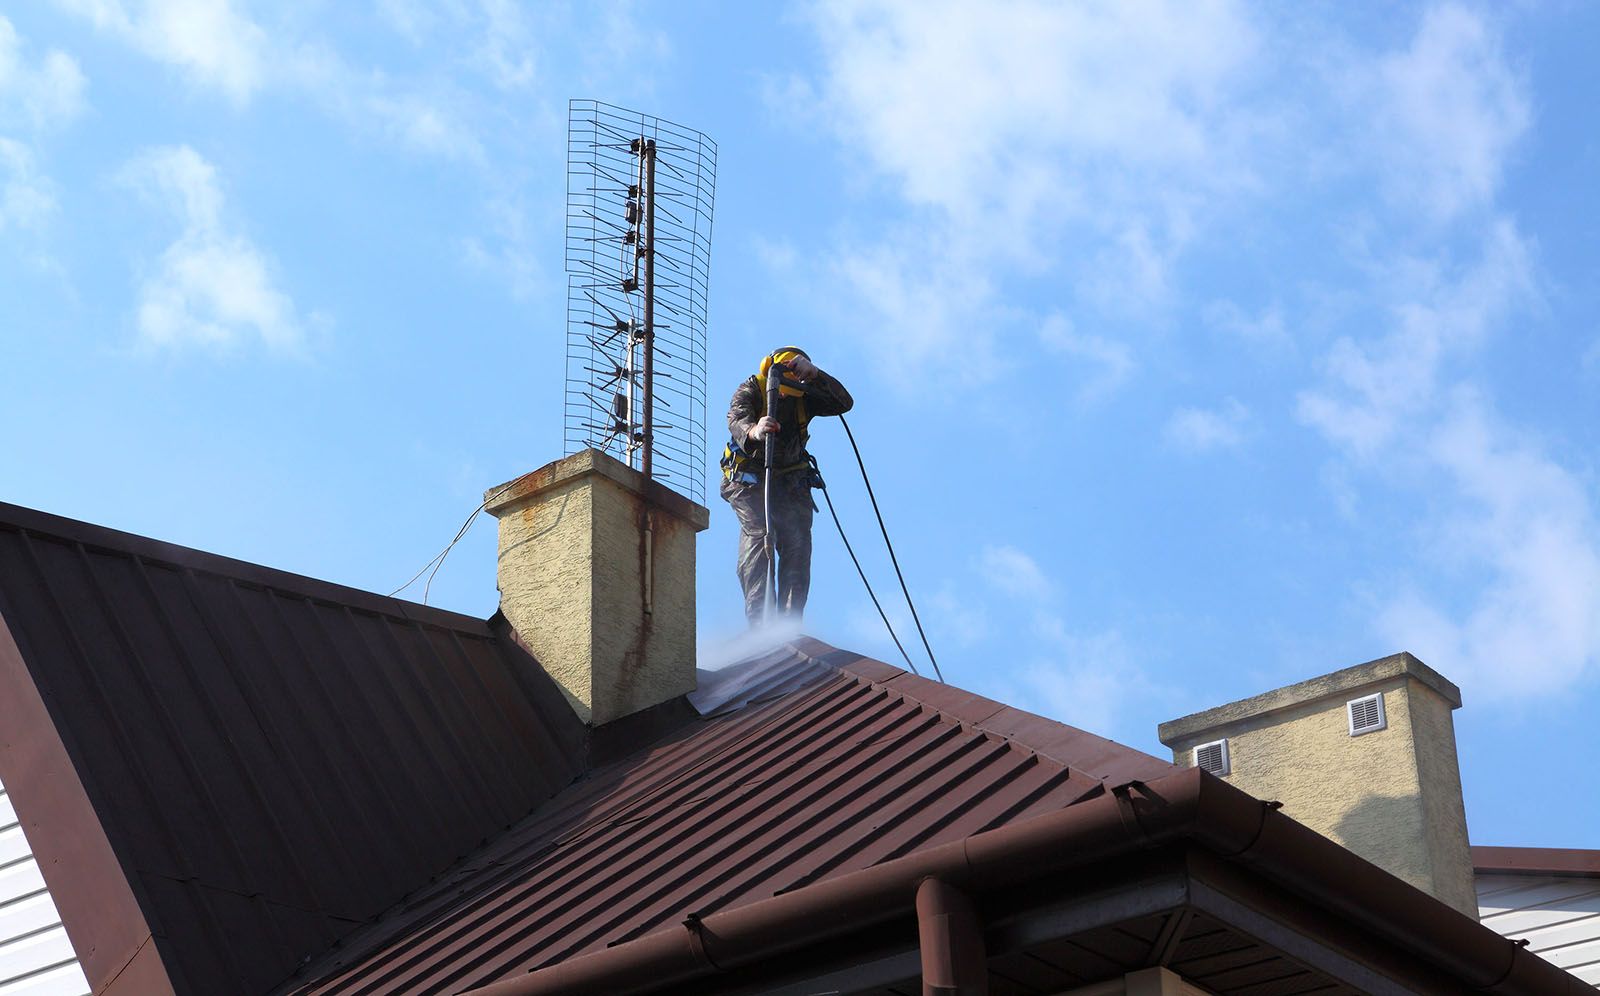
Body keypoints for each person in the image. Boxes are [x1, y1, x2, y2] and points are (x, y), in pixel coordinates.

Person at [720, 347, 853, 625]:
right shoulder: (752, 388)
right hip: (748, 479)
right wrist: (753, 430)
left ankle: (788, 627)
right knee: (761, 534)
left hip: (791, 480)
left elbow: (843, 403)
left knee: (798, 544)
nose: (782, 397)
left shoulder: (805, 394)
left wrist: (816, 375)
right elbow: (736, 418)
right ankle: (759, 624)